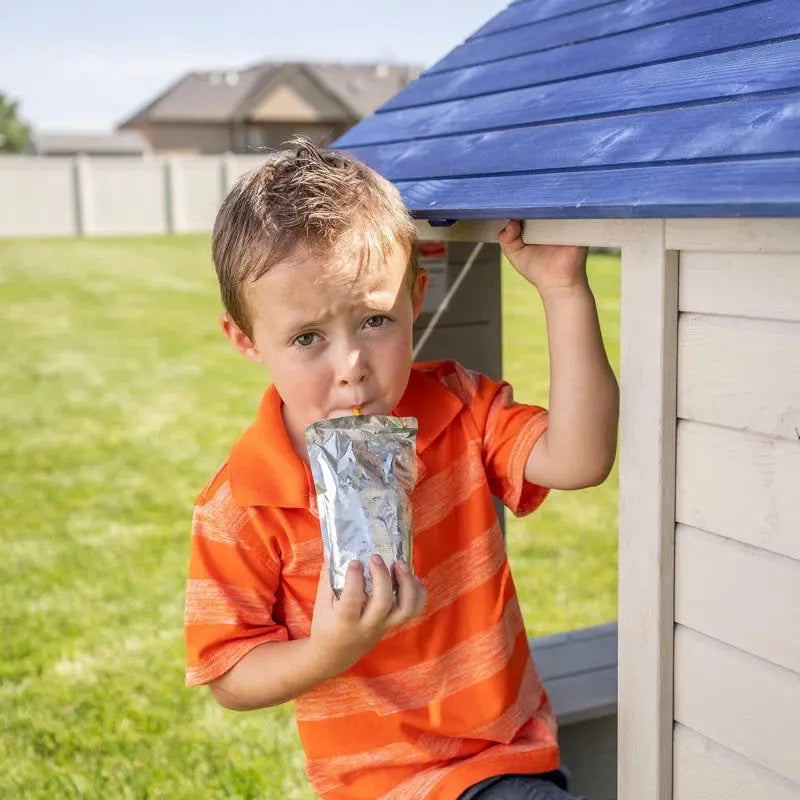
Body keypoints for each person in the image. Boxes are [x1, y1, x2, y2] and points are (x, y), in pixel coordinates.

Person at [184, 140, 618, 800]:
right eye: (307, 337)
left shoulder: (459, 408)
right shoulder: (239, 506)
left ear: (416, 297)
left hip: (499, 756)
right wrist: (329, 650)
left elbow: (581, 459)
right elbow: (228, 673)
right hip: (374, 786)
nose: (352, 365)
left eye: (374, 320)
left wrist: (562, 289)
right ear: (246, 340)